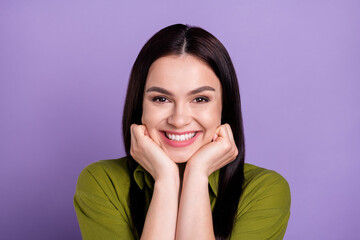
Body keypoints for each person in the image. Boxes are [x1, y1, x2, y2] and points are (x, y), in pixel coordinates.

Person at [74, 24, 291, 240]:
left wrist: (197, 174)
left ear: (224, 107)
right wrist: (166, 181)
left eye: (200, 99)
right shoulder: (102, 182)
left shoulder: (264, 190)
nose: (179, 120)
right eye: (161, 99)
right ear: (140, 106)